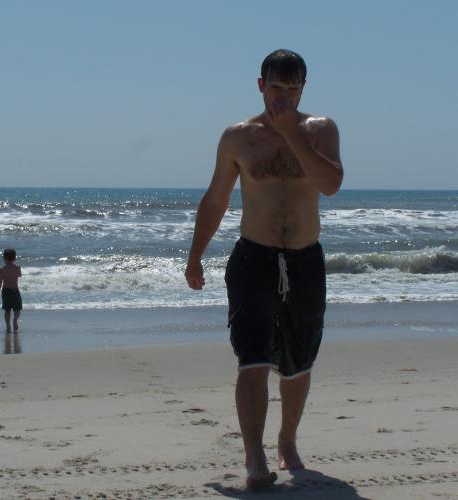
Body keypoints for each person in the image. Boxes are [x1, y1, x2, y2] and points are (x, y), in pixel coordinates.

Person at [184, 49, 343, 490]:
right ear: (260, 86)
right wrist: (195, 257)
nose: (283, 97)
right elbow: (216, 199)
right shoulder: (238, 137)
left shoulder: (321, 130)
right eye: (276, 88)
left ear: (303, 89)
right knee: (252, 358)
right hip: (254, 258)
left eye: (293, 89)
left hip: (304, 259)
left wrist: (291, 133)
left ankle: (286, 440)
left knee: (298, 362)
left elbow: (331, 184)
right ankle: (254, 457)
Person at [0, 248, 23, 333]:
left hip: (6, 291)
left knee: (7, 310)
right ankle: (15, 320)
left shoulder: (2, 270)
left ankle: (8, 325)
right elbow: (20, 275)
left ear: (4, 258)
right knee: (17, 309)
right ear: (15, 258)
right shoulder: (17, 268)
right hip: (15, 290)